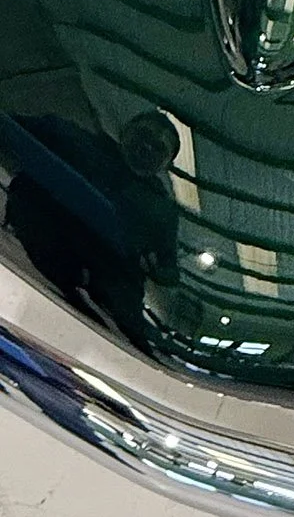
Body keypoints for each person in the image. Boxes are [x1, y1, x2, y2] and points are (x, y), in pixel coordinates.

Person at [0, 108, 180, 351]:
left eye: (158, 147)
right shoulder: (71, 137)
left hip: (103, 309)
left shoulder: (162, 210)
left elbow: (168, 269)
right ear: (126, 131)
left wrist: (157, 268)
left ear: (165, 164)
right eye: (143, 135)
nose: (146, 147)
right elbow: (10, 129)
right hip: (23, 262)